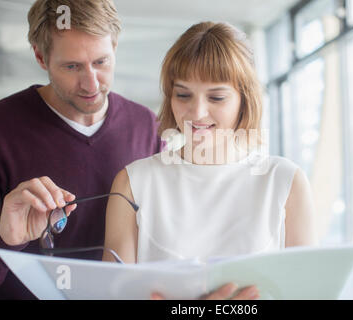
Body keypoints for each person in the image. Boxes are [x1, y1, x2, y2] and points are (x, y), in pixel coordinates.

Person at [103, 22, 318, 300]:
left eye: (216, 97)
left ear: (245, 99)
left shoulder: (285, 181)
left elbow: (308, 293)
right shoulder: (133, 183)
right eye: (183, 95)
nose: (197, 112)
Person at [0, 0, 163, 299]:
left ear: (115, 47)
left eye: (101, 62)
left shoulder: (147, 126)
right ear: (41, 57)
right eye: (72, 66)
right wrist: (6, 239)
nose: (91, 83)